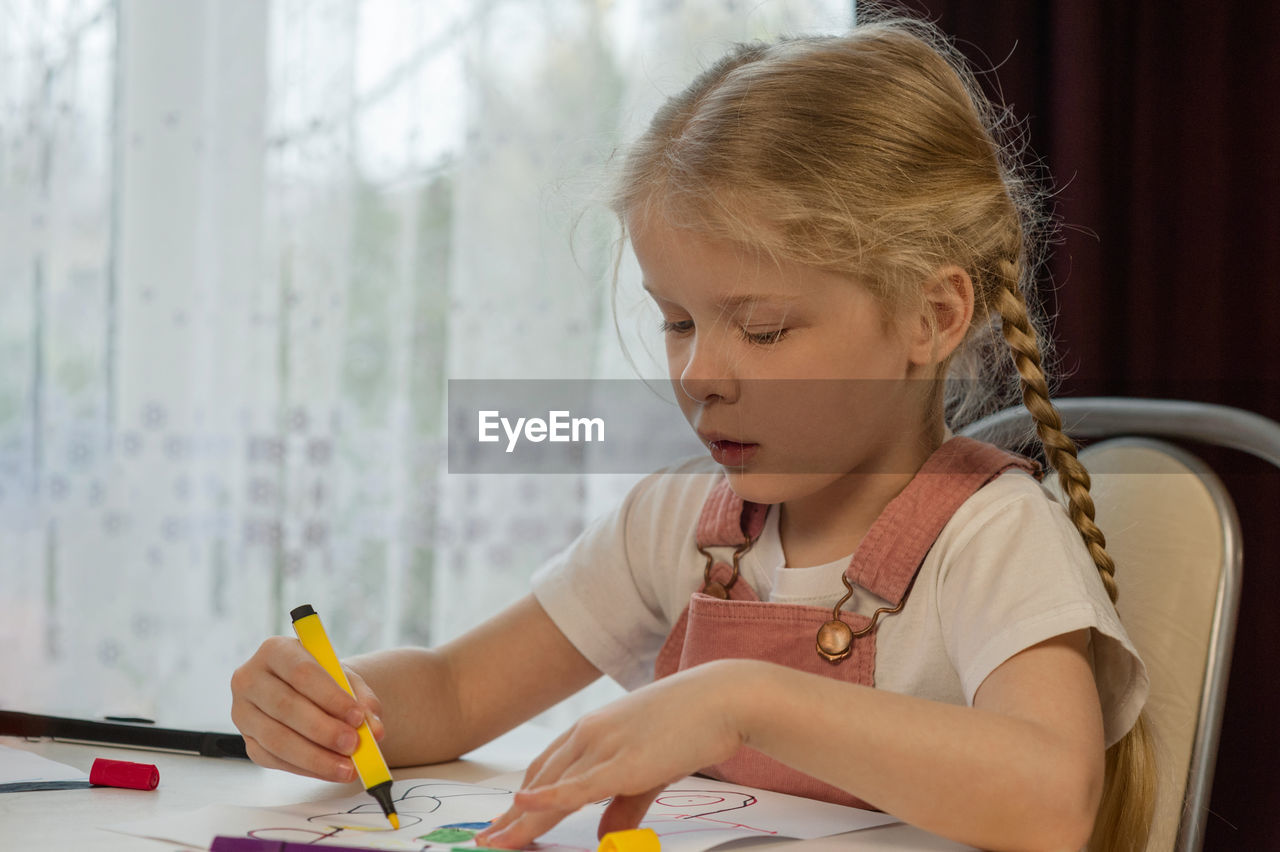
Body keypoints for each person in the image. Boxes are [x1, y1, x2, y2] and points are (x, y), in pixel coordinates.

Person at [230, 13, 1155, 852]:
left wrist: (744, 702)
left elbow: (1053, 798)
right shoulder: (675, 525)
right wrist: (333, 704)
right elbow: (459, 691)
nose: (698, 373)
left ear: (931, 316)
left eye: (762, 329)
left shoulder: (989, 537)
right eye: (677, 322)